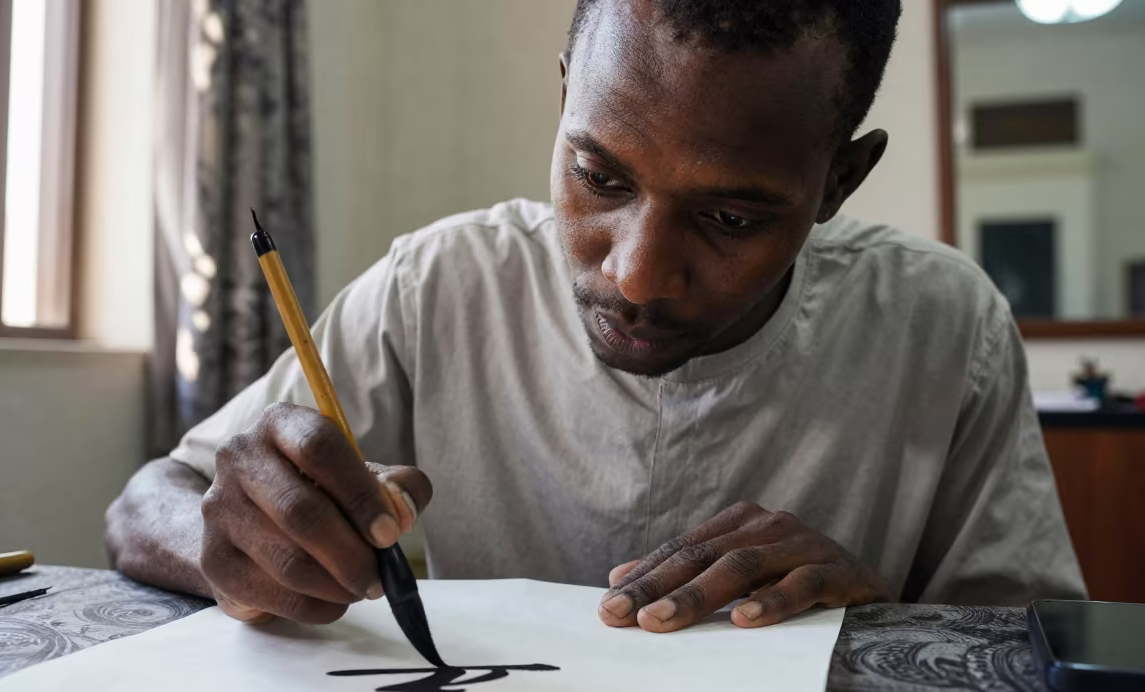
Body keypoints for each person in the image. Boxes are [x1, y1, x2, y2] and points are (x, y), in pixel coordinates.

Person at [105, 0, 1086, 634]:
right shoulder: (441, 283)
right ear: (566, 96)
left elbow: (1033, 640)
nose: (639, 275)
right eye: (597, 176)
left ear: (838, 179)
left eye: (730, 217)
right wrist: (238, 538)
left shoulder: (940, 324)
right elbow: (148, 501)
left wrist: (874, 614)